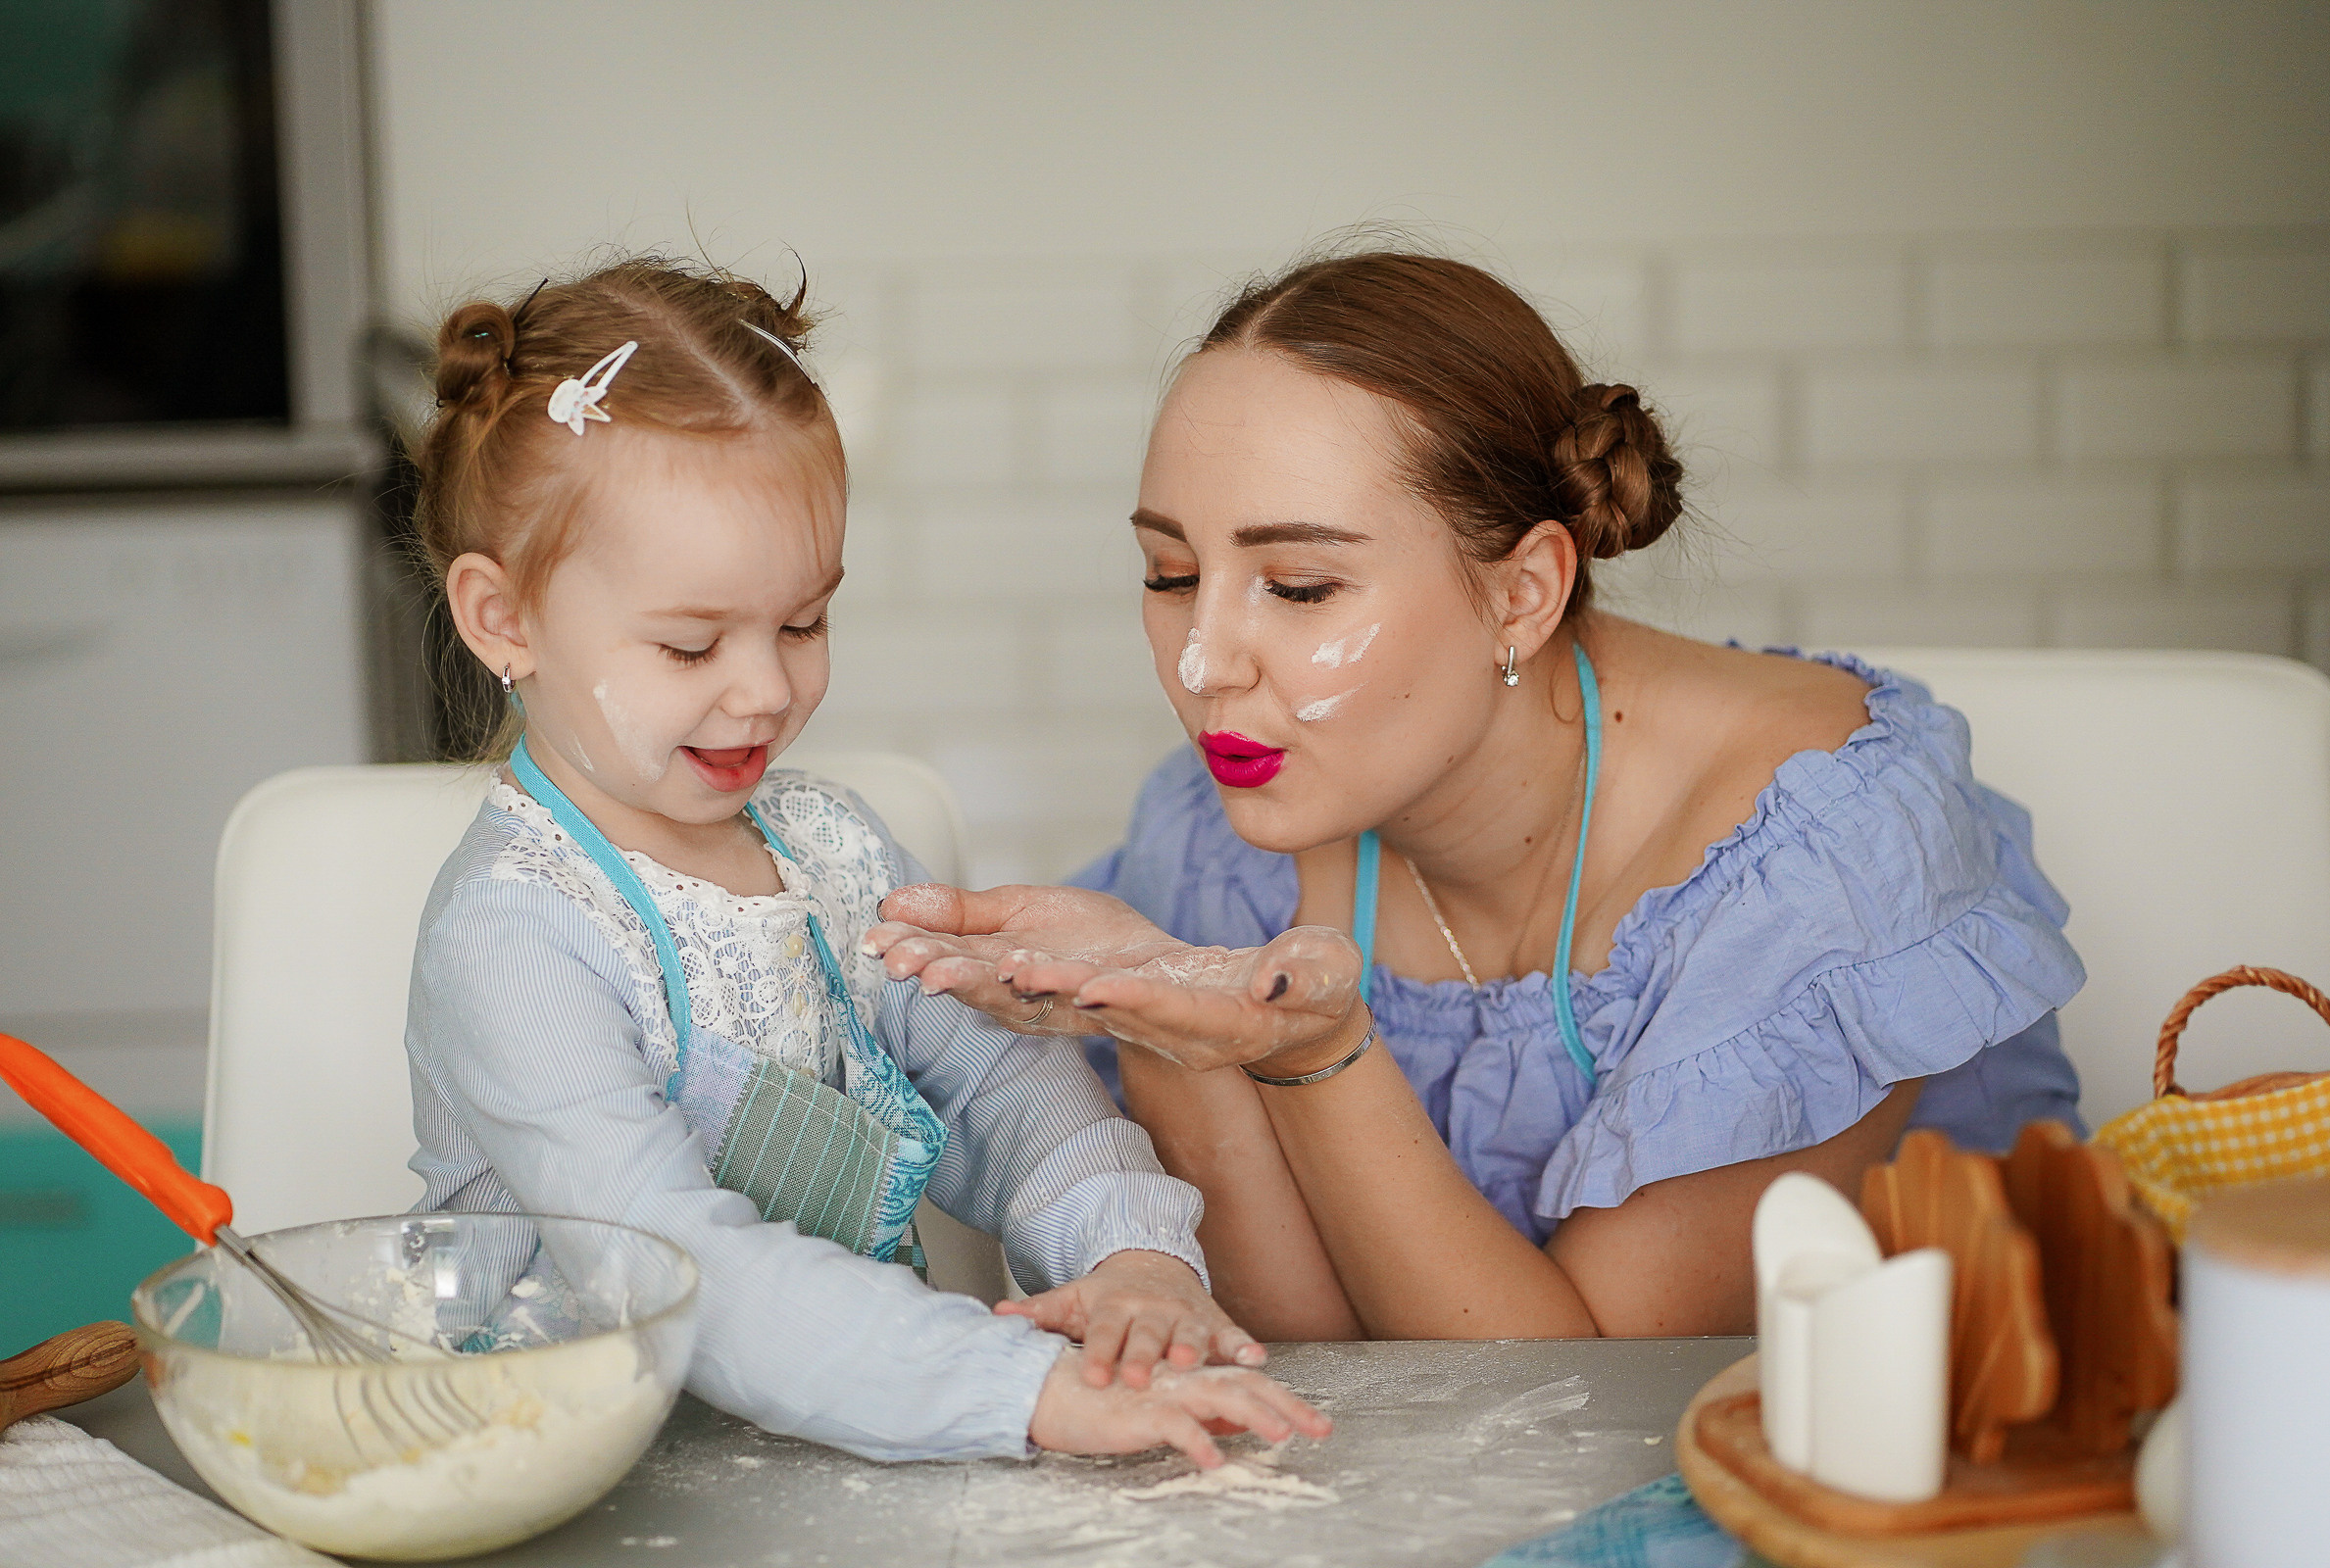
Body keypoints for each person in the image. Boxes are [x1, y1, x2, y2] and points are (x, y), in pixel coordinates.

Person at [865, 251, 2087, 1344]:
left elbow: (1580, 1400)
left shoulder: (1822, 850)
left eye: (1295, 586)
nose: (1204, 662)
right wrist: (1165, 1023)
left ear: (1523, 594)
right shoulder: (1224, 829)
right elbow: (1329, 1348)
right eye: (1172, 572)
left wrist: (1322, 1051)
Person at [400, 257, 1330, 1464]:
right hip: (553, 1479)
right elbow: (677, 1267)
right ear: (502, 619)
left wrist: (1130, 1260)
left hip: (825, 1450)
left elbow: (1007, 1092)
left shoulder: (829, 850)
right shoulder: (514, 933)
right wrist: (1026, 1392)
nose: (768, 687)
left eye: (803, 621)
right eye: (691, 646)